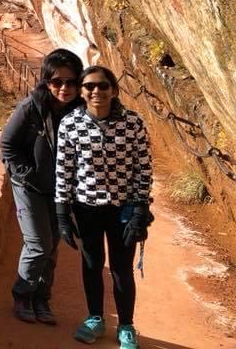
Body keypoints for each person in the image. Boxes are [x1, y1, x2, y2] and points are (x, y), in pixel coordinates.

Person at [55, 65, 153, 349]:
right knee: (92, 264)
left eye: (102, 86)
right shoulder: (71, 124)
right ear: (82, 92)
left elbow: (143, 168)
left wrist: (139, 209)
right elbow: (64, 170)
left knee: (122, 268)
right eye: (89, 87)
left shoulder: (133, 123)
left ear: (114, 90)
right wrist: (62, 212)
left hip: (123, 209)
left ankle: (125, 326)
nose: (96, 91)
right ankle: (95, 318)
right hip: (87, 208)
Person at [0, 48, 84, 324]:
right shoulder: (31, 108)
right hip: (29, 185)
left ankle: (41, 298)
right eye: (57, 81)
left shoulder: (81, 111)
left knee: (53, 244)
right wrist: (28, 174)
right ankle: (23, 295)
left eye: (72, 82)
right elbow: (8, 145)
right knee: (38, 243)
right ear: (46, 81)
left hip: (60, 189)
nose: (64, 88)